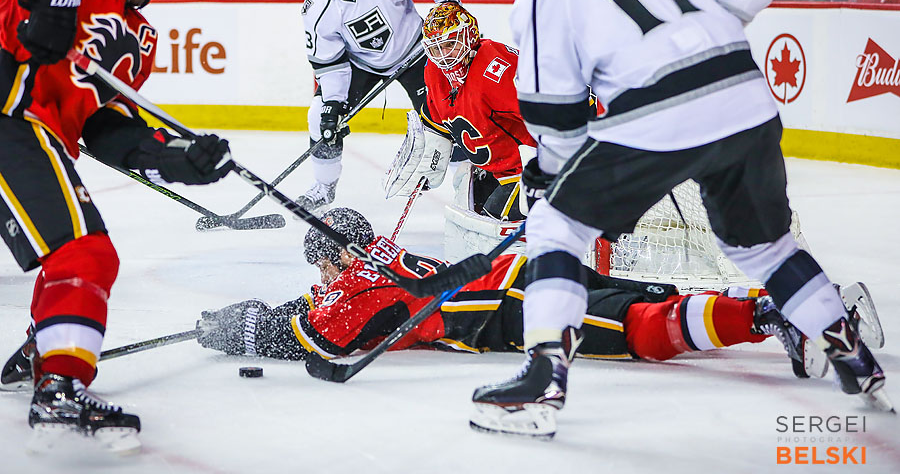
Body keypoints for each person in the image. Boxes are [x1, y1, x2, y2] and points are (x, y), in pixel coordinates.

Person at [473, 0, 890, 438]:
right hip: (744, 93)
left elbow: (555, 112)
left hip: (655, 113)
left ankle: (543, 383)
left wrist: (556, 172)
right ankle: (853, 358)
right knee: (765, 246)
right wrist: (701, 34)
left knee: (556, 224)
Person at [0, 0, 231, 451]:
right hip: (9, 111)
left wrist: (175, 159)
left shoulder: (140, 42)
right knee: (86, 253)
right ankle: (59, 382)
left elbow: (106, 129)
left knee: (76, 253)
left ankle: (46, 347)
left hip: (34, 131)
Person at [196, 208, 822, 383]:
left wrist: (248, 326)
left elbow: (322, 336)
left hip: (512, 307)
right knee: (651, 294)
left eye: (323, 265)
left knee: (639, 329)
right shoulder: (380, 257)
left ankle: (765, 318)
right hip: (522, 265)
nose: (326, 276)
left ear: (337, 254)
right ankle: (777, 301)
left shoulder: (358, 279)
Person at [297, 0, 458, 211]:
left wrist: (448, 10)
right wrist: (333, 104)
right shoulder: (316, 7)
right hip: (363, 64)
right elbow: (330, 63)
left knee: (450, 116)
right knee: (318, 116)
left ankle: (471, 183)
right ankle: (324, 187)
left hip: (416, 51)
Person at [386, 3, 534, 220]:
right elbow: (438, 123)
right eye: (435, 48)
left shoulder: (497, 69)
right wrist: (429, 159)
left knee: (492, 222)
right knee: (469, 209)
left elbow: (552, 112)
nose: (443, 56)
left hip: (532, 170)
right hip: (497, 170)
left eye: (449, 44)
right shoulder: (435, 71)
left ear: (469, 36)